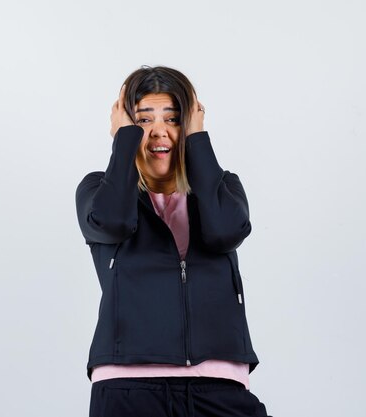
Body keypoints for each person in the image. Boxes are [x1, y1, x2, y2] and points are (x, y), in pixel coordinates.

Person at [76, 66, 271, 417]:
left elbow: (225, 232)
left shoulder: (222, 191)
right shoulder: (99, 192)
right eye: (143, 120)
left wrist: (198, 142)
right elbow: (113, 223)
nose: (158, 131)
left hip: (218, 383)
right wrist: (123, 143)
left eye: (174, 118)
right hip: (127, 386)